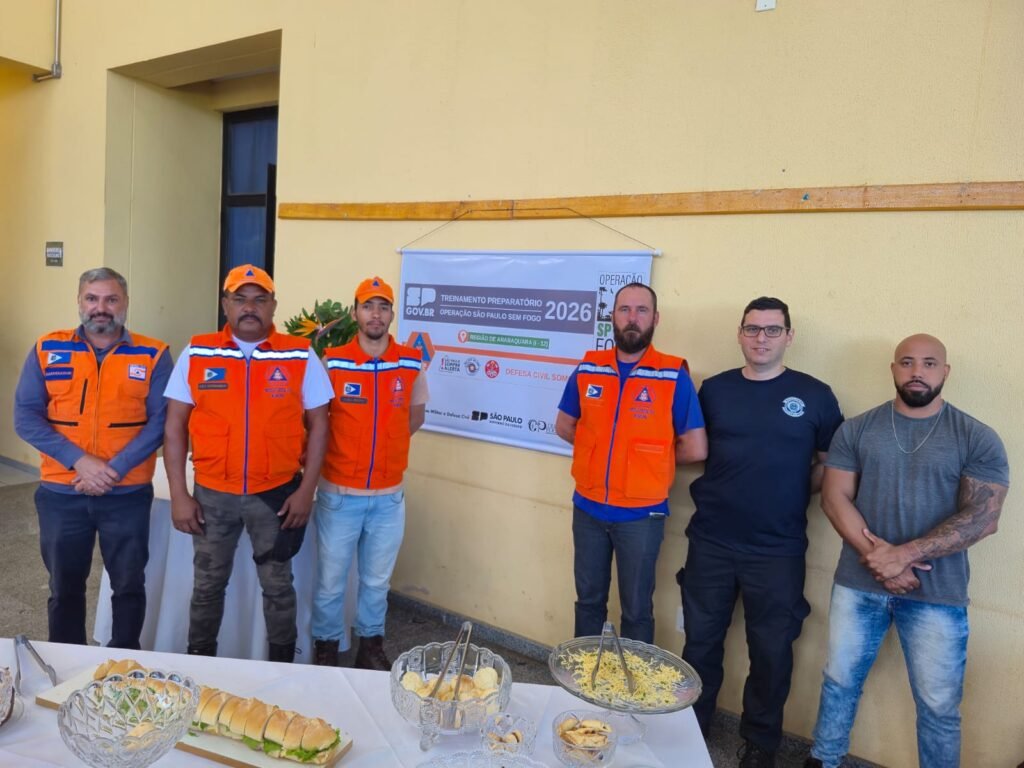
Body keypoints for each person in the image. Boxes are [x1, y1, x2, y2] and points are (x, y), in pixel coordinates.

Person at [805, 334, 1009, 768]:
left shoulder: (976, 436)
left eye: (930, 363)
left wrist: (905, 554)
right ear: (894, 369)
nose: (918, 372)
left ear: (945, 371)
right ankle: (824, 760)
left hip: (939, 594)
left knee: (938, 705)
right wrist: (882, 561)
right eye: (907, 362)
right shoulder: (858, 428)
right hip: (858, 584)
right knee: (839, 682)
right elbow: (834, 498)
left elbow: (983, 517)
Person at [680, 297, 843, 768]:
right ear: (740, 334)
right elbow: (693, 448)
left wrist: (791, 490)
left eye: (773, 330)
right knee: (700, 644)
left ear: (789, 337)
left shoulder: (815, 395)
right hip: (711, 541)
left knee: (771, 653)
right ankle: (690, 730)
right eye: (752, 329)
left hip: (777, 549)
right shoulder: (715, 390)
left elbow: (830, 464)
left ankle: (760, 745)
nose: (761, 338)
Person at [163, 264, 331, 662]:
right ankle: (201, 663)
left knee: (278, 587)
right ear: (225, 305)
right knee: (207, 586)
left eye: (259, 299)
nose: (249, 307)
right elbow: (174, 426)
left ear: (273, 306)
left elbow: (321, 425)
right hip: (212, 494)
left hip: (276, 495)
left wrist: (306, 491)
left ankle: (283, 668)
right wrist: (179, 494)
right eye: (239, 299)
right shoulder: (198, 352)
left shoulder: (299, 354)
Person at [14, 267, 171, 649]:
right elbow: (26, 417)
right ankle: (67, 663)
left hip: (127, 494)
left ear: (125, 303)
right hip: (62, 492)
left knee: (129, 585)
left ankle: (125, 665)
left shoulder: (154, 353)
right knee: (64, 587)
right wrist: (80, 461)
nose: (101, 308)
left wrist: (112, 470)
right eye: (92, 298)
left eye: (111, 299)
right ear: (79, 302)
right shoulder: (47, 348)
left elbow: (161, 422)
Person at [555, 282, 707, 644]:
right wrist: (601, 452)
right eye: (624, 309)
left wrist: (645, 462)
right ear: (613, 316)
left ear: (655, 318)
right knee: (588, 602)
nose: (632, 318)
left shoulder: (672, 375)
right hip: (588, 508)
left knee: (637, 610)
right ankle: (583, 673)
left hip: (641, 516)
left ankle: (633, 681)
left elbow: (696, 448)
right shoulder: (589, 367)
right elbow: (564, 425)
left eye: (642, 310)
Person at [311, 276, 428, 669]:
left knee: (377, 582)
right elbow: (316, 422)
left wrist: (385, 449)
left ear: (392, 314)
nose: (375, 314)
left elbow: (414, 417)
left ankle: (370, 647)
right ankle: (327, 648)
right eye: (367, 306)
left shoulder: (410, 362)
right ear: (355, 313)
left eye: (383, 306)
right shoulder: (333, 361)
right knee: (331, 582)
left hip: (388, 497)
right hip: (339, 494)